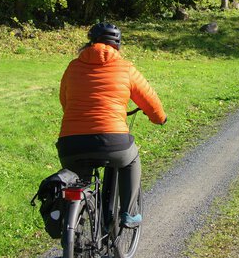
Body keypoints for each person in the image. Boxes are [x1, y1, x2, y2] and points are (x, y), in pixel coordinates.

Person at [57, 22, 167, 228]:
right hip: (112, 141)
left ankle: (75, 232)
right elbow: (150, 101)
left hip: (70, 143)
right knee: (131, 159)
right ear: (117, 45)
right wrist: (160, 118)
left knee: (78, 183)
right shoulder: (125, 68)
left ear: (90, 42)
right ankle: (128, 213)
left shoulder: (73, 66)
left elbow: (65, 101)